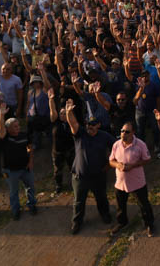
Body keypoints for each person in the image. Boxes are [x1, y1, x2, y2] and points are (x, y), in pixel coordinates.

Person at [66, 99, 115, 234]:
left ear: (99, 125)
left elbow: (116, 148)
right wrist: (69, 112)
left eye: (93, 124)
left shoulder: (105, 136)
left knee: (101, 198)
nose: (89, 127)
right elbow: (73, 123)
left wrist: (110, 164)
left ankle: (105, 215)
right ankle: (77, 222)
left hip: (98, 176)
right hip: (80, 177)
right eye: (88, 124)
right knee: (78, 202)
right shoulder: (80, 134)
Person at [109, 121, 155, 237]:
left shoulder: (140, 145)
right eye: (122, 131)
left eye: (127, 132)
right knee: (120, 206)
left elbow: (147, 159)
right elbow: (111, 161)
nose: (124, 133)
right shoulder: (116, 145)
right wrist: (118, 165)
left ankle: (149, 224)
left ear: (133, 132)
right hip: (120, 183)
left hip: (137, 182)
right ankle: (122, 222)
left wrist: (133, 165)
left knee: (144, 205)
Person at [0, 101, 37, 220]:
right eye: (15, 126)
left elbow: (30, 148)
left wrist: (30, 162)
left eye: (18, 126)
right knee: (14, 192)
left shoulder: (24, 135)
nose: (18, 128)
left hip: (25, 168)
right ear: (8, 129)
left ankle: (32, 205)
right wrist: (1, 115)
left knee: (30, 188)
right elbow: (1, 128)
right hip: (10, 171)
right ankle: (16, 210)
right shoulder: (5, 137)